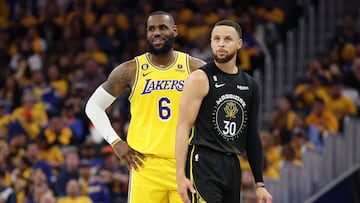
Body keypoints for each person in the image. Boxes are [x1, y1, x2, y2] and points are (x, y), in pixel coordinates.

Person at [85, 11, 205, 202]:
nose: (156, 32)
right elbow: (93, 106)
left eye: (162, 28)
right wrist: (116, 142)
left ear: (175, 31)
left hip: (186, 164)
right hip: (145, 166)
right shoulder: (130, 70)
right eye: (151, 29)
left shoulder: (195, 68)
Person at [175, 19, 272, 203]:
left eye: (227, 39)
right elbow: (182, 128)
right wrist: (180, 175)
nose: (220, 43)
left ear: (239, 44)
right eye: (216, 39)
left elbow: (252, 135)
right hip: (203, 161)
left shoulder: (250, 85)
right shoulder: (200, 78)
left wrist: (259, 184)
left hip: (232, 164)